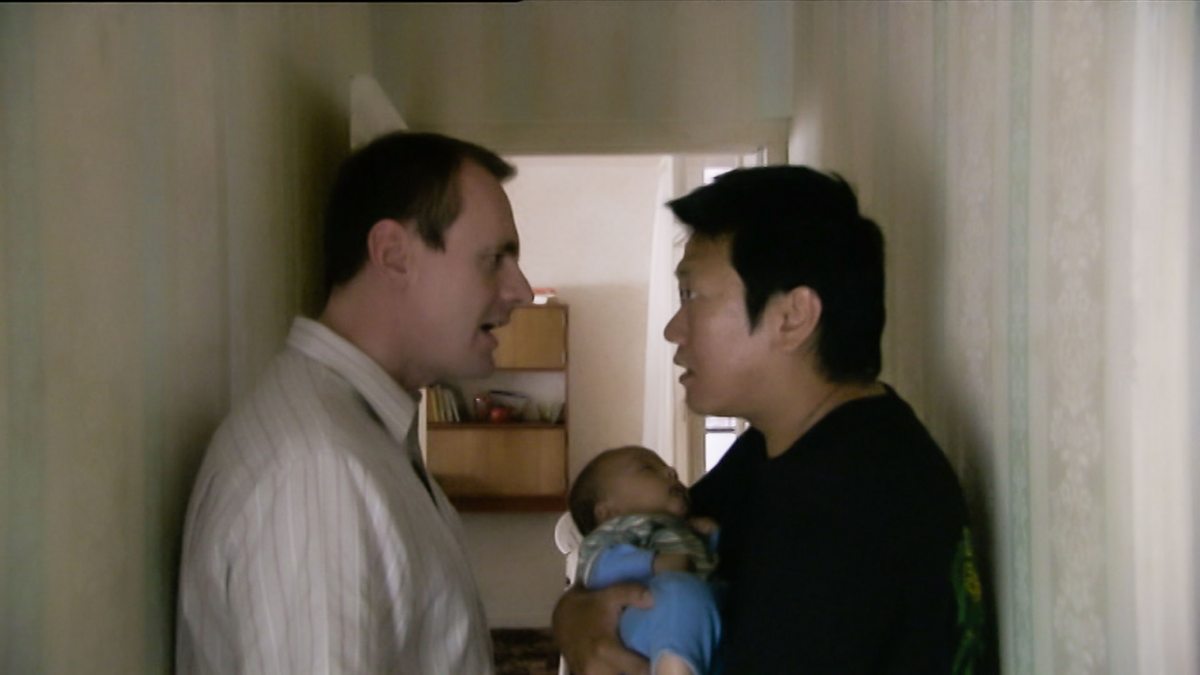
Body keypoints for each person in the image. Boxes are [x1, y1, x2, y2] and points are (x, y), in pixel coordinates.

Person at [554, 166, 985, 673]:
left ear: (792, 317)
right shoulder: (780, 446)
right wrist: (573, 616)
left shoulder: (862, 502)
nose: (673, 329)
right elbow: (644, 538)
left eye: (691, 295)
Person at [177, 131, 535, 673]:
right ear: (392, 255)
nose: (521, 290)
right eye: (494, 259)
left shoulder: (355, 437)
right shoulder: (316, 473)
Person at [568, 445, 722, 675]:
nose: (671, 471)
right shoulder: (616, 531)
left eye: (666, 467)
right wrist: (653, 563)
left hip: (698, 624)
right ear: (608, 512)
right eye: (648, 469)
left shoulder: (682, 528)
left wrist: (710, 537)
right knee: (679, 591)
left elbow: (711, 564)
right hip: (642, 619)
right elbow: (599, 568)